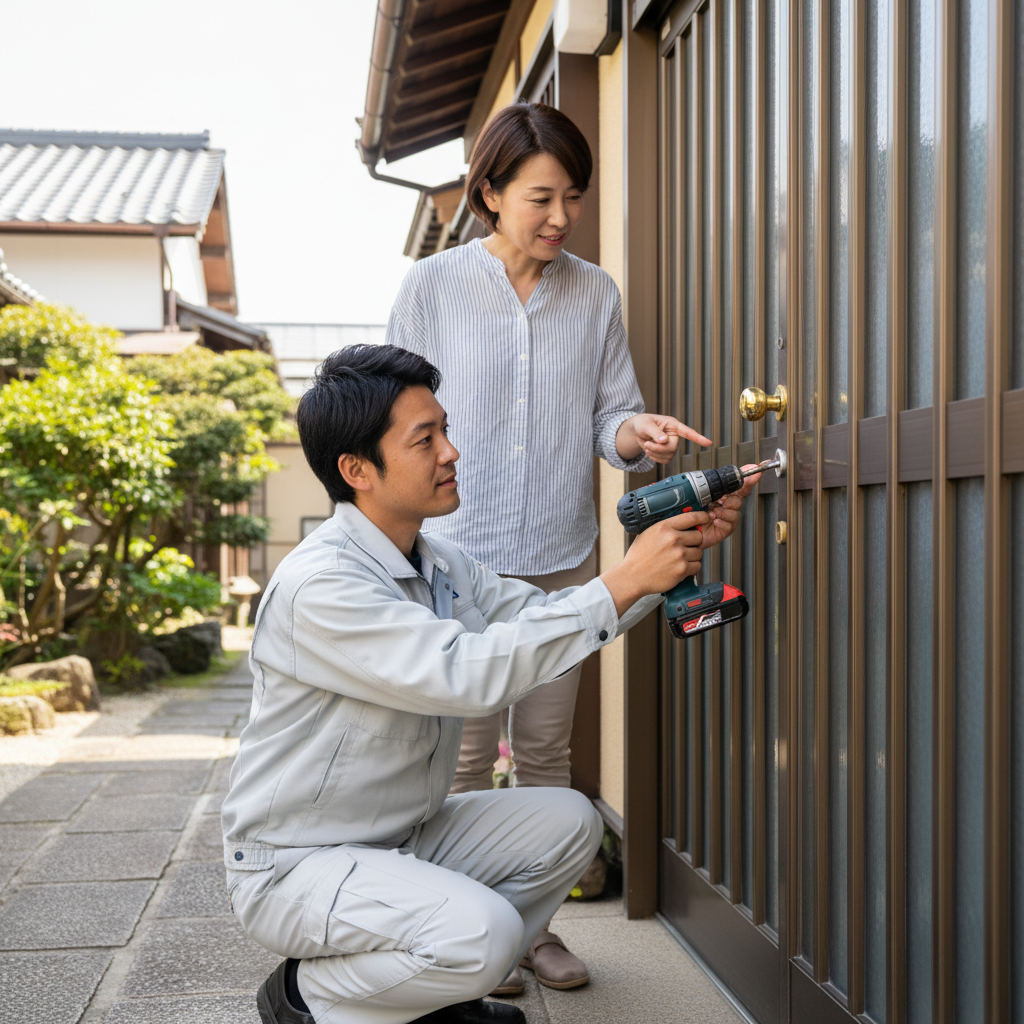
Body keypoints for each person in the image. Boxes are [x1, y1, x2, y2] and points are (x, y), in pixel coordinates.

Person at [222, 344, 756, 1024]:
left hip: (398, 839)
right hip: (296, 868)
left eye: (444, 429)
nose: (451, 452)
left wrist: (658, 567)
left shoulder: (435, 559)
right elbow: (466, 674)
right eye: (426, 439)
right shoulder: (323, 585)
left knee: (569, 821)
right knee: (485, 935)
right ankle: (305, 997)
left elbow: (538, 618)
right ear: (357, 470)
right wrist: (625, 578)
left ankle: (433, 997)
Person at [385, 101, 716, 993]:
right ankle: (457, 936)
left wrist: (635, 434)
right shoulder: (433, 286)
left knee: (543, 755)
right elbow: (397, 421)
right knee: (453, 757)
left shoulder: (595, 292)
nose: (560, 216)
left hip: (562, 554)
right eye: (541, 195)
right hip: (456, 558)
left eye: (572, 196)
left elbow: (611, 416)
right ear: (490, 192)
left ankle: (533, 933)